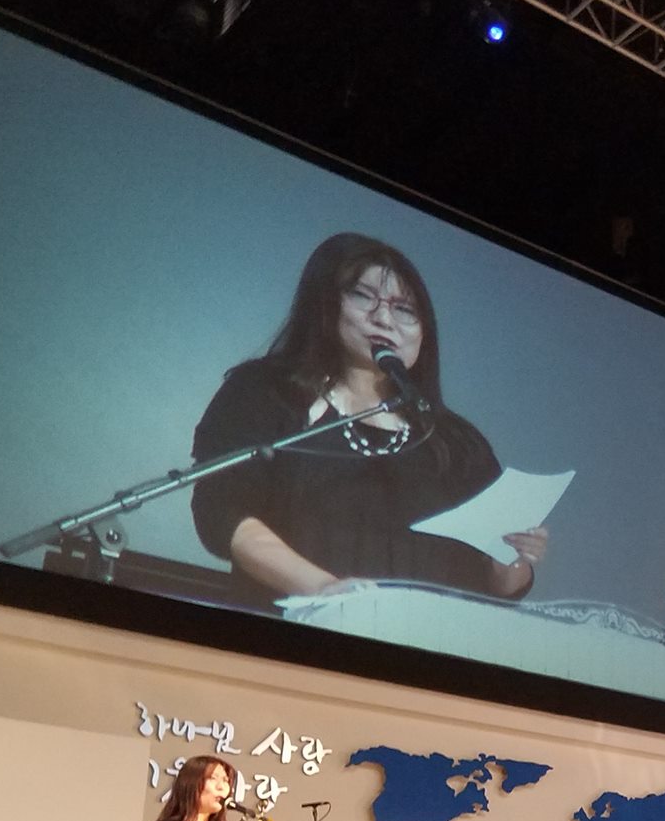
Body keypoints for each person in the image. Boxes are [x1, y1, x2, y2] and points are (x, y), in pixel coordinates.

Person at [190, 232, 548, 608]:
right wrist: (326, 590)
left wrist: (516, 556)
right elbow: (223, 513)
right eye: (363, 296)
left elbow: (500, 583)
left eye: (405, 309)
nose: (384, 319)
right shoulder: (268, 393)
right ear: (325, 304)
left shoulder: (455, 442)